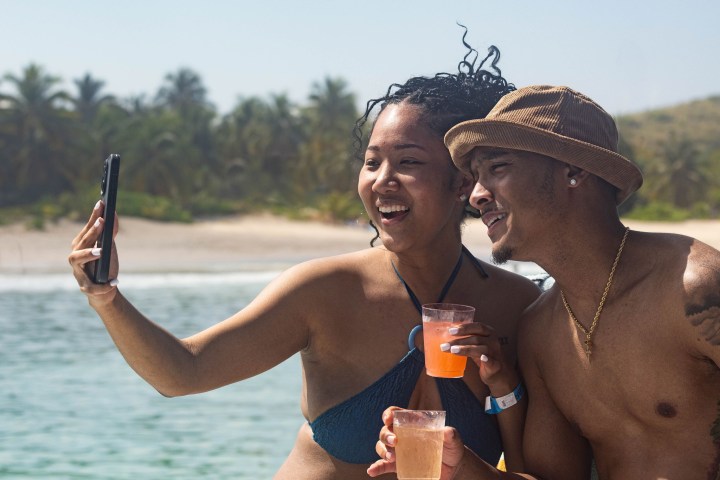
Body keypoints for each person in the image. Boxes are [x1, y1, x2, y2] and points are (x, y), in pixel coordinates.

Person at [67, 39, 541, 480]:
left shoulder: (519, 308)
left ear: (462, 182)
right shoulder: (325, 291)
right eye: (372, 162)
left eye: (409, 162)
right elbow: (183, 373)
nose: (381, 180)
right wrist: (106, 298)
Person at [369, 85, 720, 479]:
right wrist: (459, 466)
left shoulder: (694, 287)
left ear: (572, 170)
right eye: (476, 177)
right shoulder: (541, 330)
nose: (478, 196)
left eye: (497, 169)